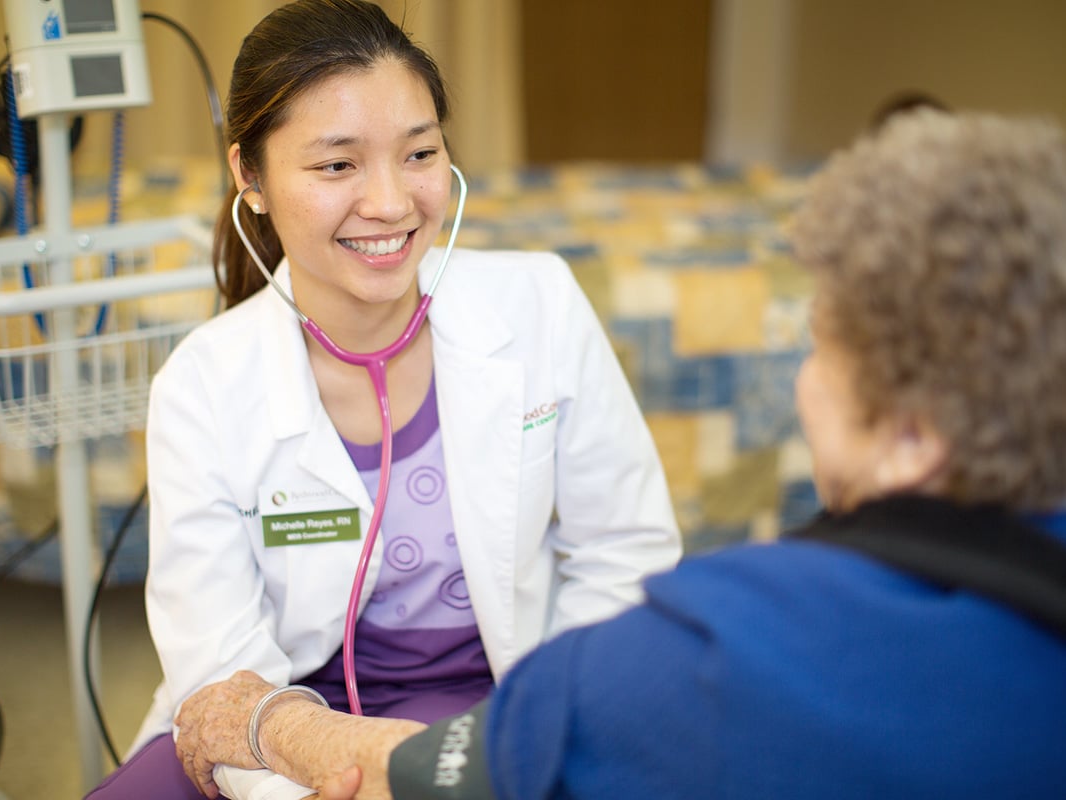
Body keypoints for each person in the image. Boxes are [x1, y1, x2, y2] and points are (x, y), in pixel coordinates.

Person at [173, 109, 1066, 799]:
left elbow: (430, 779)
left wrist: (260, 721)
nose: (801, 381)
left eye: (821, 346)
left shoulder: (732, 643)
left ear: (909, 435)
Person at [85, 1, 681, 797]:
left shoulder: (539, 303)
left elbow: (626, 553)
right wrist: (301, 780)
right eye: (338, 165)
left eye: (419, 153)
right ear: (250, 179)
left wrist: (546, 727)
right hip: (276, 716)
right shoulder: (200, 386)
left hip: (507, 696)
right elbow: (220, 665)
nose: (392, 203)